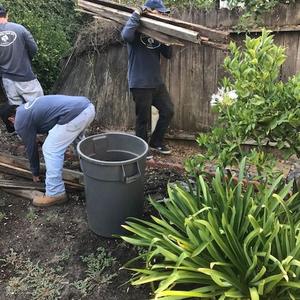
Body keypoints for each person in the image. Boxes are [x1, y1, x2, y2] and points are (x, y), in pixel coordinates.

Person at [0, 95, 95, 207]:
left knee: (50, 149)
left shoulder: (19, 121)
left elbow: (31, 149)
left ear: (11, 119)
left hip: (74, 114)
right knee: (78, 141)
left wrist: (35, 173)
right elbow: (50, 123)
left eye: (12, 125)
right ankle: (93, 169)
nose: (15, 127)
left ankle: (55, 192)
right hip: (86, 108)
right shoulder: (26, 109)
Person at [121, 0, 174, 156]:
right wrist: (137, 13)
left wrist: (167, 34)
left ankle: (156, 142)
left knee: (168, 110)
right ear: (151, 11)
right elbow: (125, 35)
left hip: (156, 82)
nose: (163, 14)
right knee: (143, 119)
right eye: (161, 11)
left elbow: (168, 54)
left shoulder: (158, 34)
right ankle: (142, 149)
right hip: (140, 83)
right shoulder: (135, 31)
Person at [0, 4, 43, 107]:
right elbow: (34, 49)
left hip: (7, 80)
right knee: (38, 106)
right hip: (25, 77)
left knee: (17, 111)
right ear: (6, 15)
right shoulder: (20, 29)